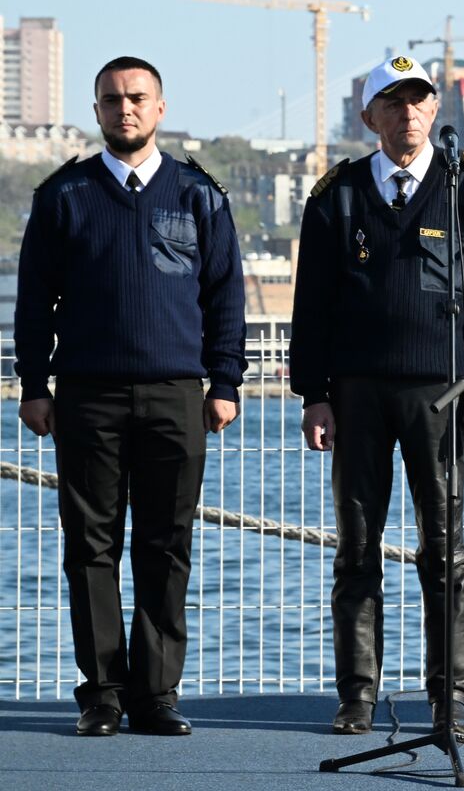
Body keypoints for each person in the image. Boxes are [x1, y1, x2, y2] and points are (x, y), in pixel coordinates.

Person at [14, 56, 246, 737]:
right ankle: (103, 694)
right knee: (91, 546)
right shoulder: (65, 195)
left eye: (138, 98)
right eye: (112, 100)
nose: (126, 110)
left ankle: (156, 694)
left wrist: (226, 381)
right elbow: (34, 302)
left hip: (179, 394)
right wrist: (34, 384)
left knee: (167, 544)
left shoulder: (199, 193)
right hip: (87, 395)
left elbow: (225, 293)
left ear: (161, 107)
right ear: (97, 111)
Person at [289, 55, 464, 737]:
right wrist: (312, 394)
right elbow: (312, 304)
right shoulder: (336, 194)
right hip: (356, 392)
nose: (409, 113)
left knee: (444, 549)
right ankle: (357, 696)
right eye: (394, 103)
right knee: (358, 547)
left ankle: (451, 701)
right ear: (370, 117)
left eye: (419, 101)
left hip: (441, 393)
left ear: (435, 108)